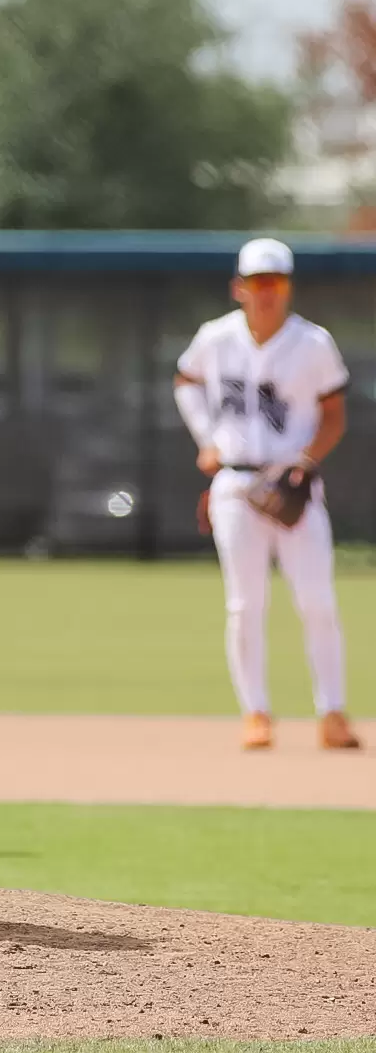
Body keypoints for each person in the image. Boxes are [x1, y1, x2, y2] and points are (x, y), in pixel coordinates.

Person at [174, 236, 361, 752]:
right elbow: (185, 381)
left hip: (293, 483)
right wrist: (206, 438)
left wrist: (305, 461)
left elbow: (333, 416)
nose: (267, 292)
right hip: (235, 483)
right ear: (239, 287)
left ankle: (332, 713)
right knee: (245, 603)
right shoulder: (216, 337)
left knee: (317, 601)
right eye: (258, 282)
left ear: (288, 287)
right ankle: (255, 712)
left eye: (275, 282)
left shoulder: (313, 343)